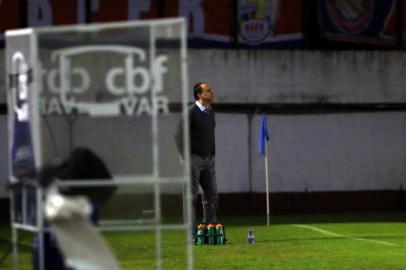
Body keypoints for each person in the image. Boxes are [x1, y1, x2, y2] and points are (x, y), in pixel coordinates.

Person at [175, 82, 218, 233]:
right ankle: (192, 233)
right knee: (191, 197)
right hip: (193, 159)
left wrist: (212, 153)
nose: (211, 92)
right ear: (199, 94)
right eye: (208, 90)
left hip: (209, 160)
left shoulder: (211, 111)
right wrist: (185, 156)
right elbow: (178, 135)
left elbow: (210, 135)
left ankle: (210, 229)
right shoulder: (190, 112)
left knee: (212, 195)